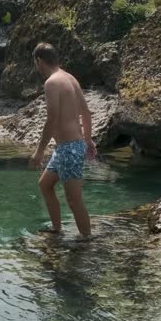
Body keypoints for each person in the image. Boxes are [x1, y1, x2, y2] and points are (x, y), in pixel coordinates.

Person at [28, 42, 97, 237]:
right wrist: (88, 140)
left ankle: (87, 241)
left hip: (69, 148)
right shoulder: (70, 78)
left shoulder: (51, 83)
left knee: (74, 200)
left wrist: (39, 151)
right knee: (45, 185)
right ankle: (57, 229)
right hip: (69, 148)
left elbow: (52, 119)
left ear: (39, 60)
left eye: (36, 63)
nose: (37, 67)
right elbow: (86, 112)